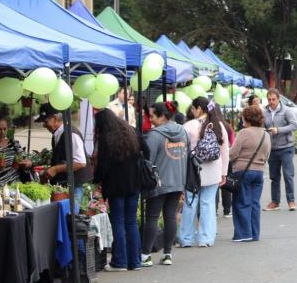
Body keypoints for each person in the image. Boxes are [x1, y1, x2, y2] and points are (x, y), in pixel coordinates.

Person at [92, 108, 143, 271]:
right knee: (131, 221)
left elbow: (103, 166)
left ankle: (120, 261)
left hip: (115, 186)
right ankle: (135, 261)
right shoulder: (131, 132)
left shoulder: (106, 138)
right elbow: (146, 151)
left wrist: (96, 181)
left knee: (118, 222)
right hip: (133, 183)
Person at [142, 102, 187, 266]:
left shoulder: (154, 135)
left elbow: (147, 160)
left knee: (152, 217)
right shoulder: (182, 131)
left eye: (152, 115)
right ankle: (167, 253)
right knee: (170, 217)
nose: (150, 119)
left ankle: (146, 255)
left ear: (162, 116)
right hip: (178, 180)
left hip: (158, 182)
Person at [181, 97, 229, 247]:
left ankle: (186, 239)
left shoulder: (189, 126)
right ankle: (206, 239)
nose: (192, 111)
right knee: (207, 204)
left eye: (193, 109)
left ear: (199, 109)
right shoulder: (218, 125)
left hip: (194, 170)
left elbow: (182, 150)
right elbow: (225, 151)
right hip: (213, 170)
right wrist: (224, 172)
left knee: (190, 203)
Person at [36, 104, 91, 211]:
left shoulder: (71, 134)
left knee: (71, 218)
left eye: (45, 121)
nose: (44, 125)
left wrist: (55, 169)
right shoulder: (57, 134)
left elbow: (80, 163)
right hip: (66, 184)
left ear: (55, 119)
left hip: (75, 184)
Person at [229, 106, 272, 242]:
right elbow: (267, 154)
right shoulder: (266, 134)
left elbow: (233, 153)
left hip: (243, 171)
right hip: (259, 172)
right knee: (254, 203)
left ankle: (243, 234)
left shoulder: (244, 133)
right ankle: (254, 234)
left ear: (247, 118)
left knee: (241, 202)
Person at [263, 88, 297, 211]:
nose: (271, 102)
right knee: (274, 176)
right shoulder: (265, 112)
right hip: (272, 149)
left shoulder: (286, 110)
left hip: (286, 147)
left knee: (288, 175)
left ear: (278, 99)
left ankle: (291, 201)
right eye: (269, 99)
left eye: (273, 99)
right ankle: (275, 201)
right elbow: (262, 126)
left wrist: (278, 130)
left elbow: (295, 125)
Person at [0, 114, 33, 185]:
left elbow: (26, 160)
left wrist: (26, 163)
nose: (2, 133)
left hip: (16, 186)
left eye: (4, 129)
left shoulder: (14, 144)